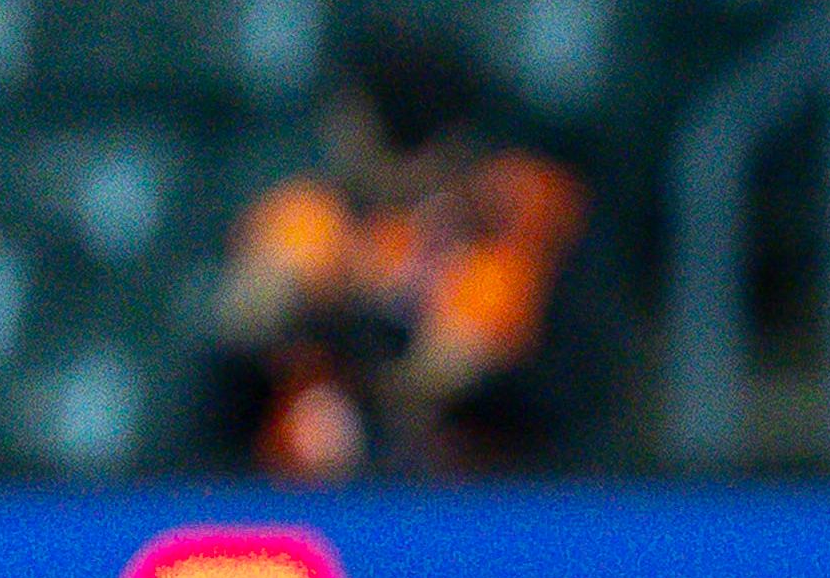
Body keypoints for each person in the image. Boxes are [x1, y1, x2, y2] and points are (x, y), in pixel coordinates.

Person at [208, 35, 587, 479]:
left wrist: (360, 329)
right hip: (301, 494)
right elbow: (245, 314)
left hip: (469, 497)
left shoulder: (505, 216)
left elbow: (448, 369)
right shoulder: (315, 215)